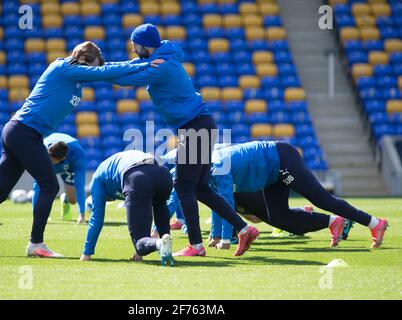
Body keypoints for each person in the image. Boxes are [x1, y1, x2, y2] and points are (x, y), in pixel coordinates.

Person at [0, 41, 161, 258]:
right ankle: (35, 244)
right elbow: (106, 71)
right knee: (48, 186)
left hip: (22, 132)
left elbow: (108, 71)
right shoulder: (62, 67)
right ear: (82, 60)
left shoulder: (76, 79)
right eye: (92, 66)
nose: (94, 71)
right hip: (24, 131)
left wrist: (144, 67)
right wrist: (144, 62)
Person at [104, 23, 257, 257]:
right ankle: (244, 228)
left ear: (144, 45)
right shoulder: (158, 58)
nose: (132, 49)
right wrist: (98, 68)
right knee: (200, 189)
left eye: (135, 44)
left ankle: (196, 246)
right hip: (199, 125)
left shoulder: (162, 65)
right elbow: (129, 66)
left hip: (194, 127)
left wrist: (94, 74)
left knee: (184, 185)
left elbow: (128, 79)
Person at [208, 141, 388, 248]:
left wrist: (222, 239)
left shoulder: (215, 167)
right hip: (272, 175)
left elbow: (223, 203)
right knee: (278, 217)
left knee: (322, 199)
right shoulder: (207, 168)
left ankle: (374, 223)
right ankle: (335, 222)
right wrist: (216, 236)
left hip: (281, 160)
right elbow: (216, 202)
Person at [80, 150, 174, 266]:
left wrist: (86, 253)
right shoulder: (110, 169)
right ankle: (166, 245)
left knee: (140, 243)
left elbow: (96, 218)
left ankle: (159, 244)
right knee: (160, 204)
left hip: (137, 175)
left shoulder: (97, 180)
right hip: (163, 174)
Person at [32, 133, 87, 224]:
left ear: (62, 159)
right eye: (49, 159)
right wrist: (36, 217)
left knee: (72, 200)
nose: (51, 162)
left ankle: (65, 199)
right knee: (42, 187)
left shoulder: (78, 155)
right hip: (49, 163)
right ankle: (40, 214)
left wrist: (82, 215)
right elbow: (36, 186)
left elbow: (80, 186)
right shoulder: (41, 152)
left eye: (52, 161)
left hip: (68, 167)